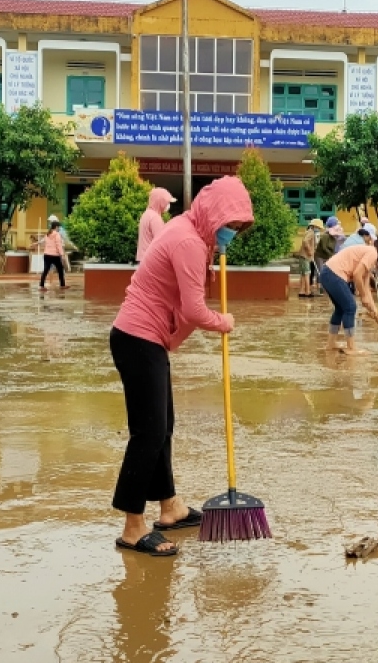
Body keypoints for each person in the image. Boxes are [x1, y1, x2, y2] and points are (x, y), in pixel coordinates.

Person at [109, 176, 253, 556]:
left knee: (163, 427)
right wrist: (224, 322)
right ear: (214, 215)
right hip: (137, 339)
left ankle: (170, 506)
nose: (231, 235)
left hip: (147, 341)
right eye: (230, 226)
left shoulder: (193, 234)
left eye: (237, 229)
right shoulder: (190, 241)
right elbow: (194, 310)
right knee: (148, 433)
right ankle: (132, 528)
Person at [320, 226, 378, 355]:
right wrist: (363, 297)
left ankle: (331, 344)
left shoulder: (368, 256)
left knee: (341, 309)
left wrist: (373, 308)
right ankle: (351, 347)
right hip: (333, 273)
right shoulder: (373, 252)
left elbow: (365, 286)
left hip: (327, 273)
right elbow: (357, 274)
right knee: (350, 307)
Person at [137, 187, 176, 263]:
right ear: (160, 201)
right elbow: (161, 241)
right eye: (167, 202)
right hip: (152, 260)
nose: (168, 205)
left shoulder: (147, 214)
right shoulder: (155, 218)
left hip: (144, 258)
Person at [39, 219, 67, 291]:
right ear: (56, 227)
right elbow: (58, 245)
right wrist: (62, 254)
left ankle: (42, 286)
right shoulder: (57, 235)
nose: (59, 229)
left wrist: (36, 244)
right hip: (55, 255)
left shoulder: (48, 234)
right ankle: (62, 285)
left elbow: (43, 241)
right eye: (58, 227)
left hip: (47, 255)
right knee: (60, 270)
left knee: (45, 270)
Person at [298, 219, 321, 298]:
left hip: (304, 256)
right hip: (305, 256)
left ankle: (301, 291)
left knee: (303, 274)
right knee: (307, 273)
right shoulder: (311, 232)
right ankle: (307, 291)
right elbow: (305, 241)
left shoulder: (309, 231)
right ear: (314, 226)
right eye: (318, 227)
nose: (319, 229)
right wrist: (309, 251)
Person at [314, 217, 337, 295]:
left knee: (327, 272)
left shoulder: (334, 237)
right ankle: (320, 288)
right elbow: (324, 247)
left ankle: (325, 287)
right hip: (320, 255)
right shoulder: (324, 236)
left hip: (327, 256)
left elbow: (333, 248)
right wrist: (331, 255)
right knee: (320, 271)